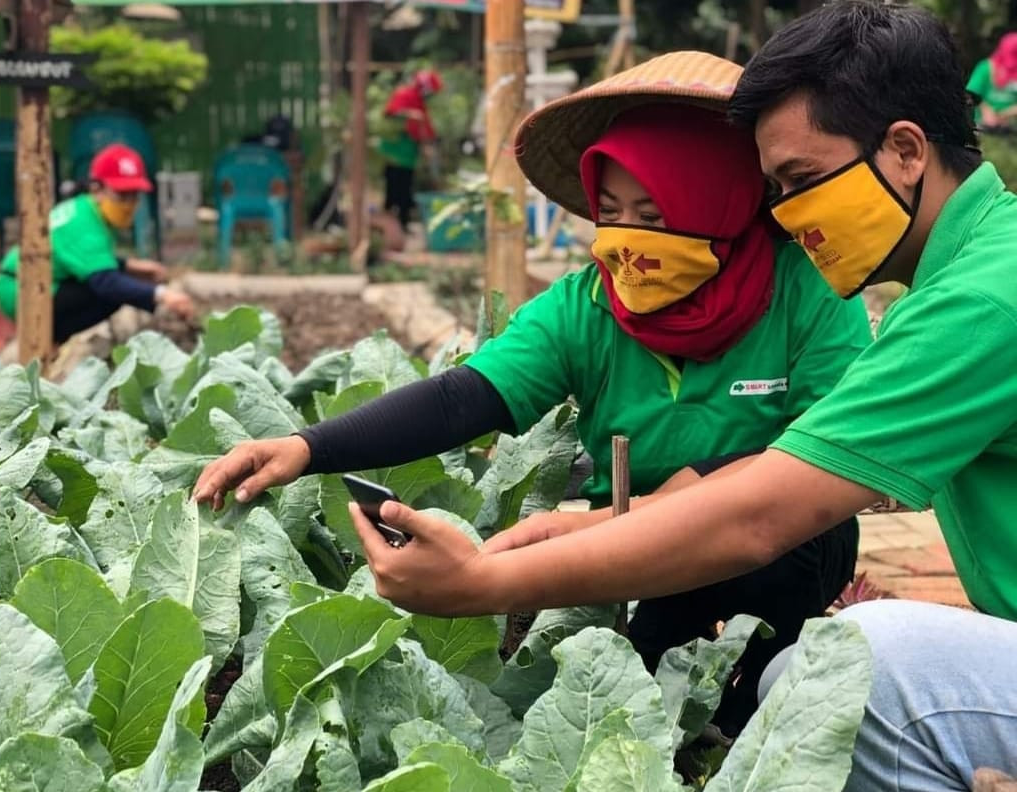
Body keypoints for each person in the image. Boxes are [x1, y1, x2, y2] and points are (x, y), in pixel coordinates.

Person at [340, 2, 1017, 789]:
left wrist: (484, 584)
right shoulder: (972, 270)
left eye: (801, 181)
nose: (790, 219)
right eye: (773, 191)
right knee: (804, 678)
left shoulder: (982, 300)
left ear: (905, 150)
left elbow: (771, 509)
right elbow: (472, 393)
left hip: (781, 552)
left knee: (867, 668)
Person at [194, 51, 872, 735]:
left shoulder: (808, 290)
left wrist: (609, 523)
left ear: (721, 199)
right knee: (640, 708)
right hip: (652, 549)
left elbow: (819, 462)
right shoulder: (587, 308)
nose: (629, 242)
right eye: (611, 213)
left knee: (758, 696)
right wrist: (307, 447)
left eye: (655, 214)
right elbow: (464, 398)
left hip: (786, 541)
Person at [0, 144, 194, 343]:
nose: (129, 204)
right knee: (112, 293)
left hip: (27, 281)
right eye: (122, 195)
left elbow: (80, 259)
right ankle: (53, 340)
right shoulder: (83, 223)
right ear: (96, 188)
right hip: (23, 290)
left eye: (134, 195)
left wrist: (131, 266)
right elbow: (106, 282)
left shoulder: (82, 209)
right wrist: (161, 294)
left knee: (122, 281)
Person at [378, 68, 442, 228]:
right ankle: (389, 226)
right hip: (394, 153)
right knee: (393, 190)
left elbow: (426, 129)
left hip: (408, 156)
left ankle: (402, 224)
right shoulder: (404, 95)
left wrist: (429, 144)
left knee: (405, 190)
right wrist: (409, 114)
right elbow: (389, 113)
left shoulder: (419, 103)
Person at [967, 33, 1017, 131]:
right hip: (983, 127)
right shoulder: (985, 68)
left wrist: (1006, 114)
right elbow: (971, 93)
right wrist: (987, 112)